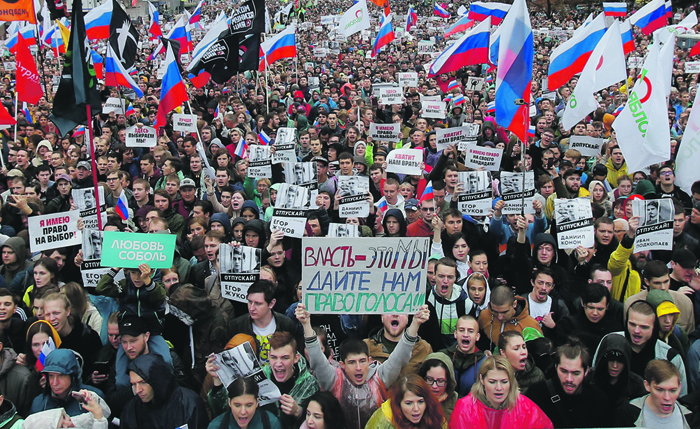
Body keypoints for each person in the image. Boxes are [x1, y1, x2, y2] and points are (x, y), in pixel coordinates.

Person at [296, 303, 430, 429]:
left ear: (370, 360)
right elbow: (317, 360)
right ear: (342, 365)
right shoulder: (335, 379)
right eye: (352, 363)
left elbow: (399, 356)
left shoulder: (380, 377)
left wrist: (415, 324)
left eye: (362, 361)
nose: (358, 367)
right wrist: (306, 324)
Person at [526, 339, 615, 428]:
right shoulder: (537, 394)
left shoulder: (600, 401)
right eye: (564, 371)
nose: (569, 379)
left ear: (586, 371)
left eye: (576, 373)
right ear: (556, 367)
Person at [449, 355, 553, 429]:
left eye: (504, 382)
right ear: (482, 380)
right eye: (492, 382)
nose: (499, 388)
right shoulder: (465, 408)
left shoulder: (525, 406)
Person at [121, 354, 208, 429]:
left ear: (156, 380)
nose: (138, 390)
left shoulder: (188, 403)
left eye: (143, 382)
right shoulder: (132, 409)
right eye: (134, 384)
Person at [29, 349, 109, 418]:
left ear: (72, 376)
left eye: (61, 376)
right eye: (51, 376)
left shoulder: (93, 398)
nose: (54, 383)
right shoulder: (39, 404)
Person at [616, 359, 695, 427]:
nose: (667, 397)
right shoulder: (627, 413)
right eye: (660, 390)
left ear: (680, 387)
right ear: (647, 385)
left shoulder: (691, 419)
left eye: (673, 390)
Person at [365, 374, 446, 429]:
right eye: (409, 403)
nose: (416, 409)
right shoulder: (383, 422)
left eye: (420, 402)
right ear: (399, 403)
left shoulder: (435, 417)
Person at [364, 313, 433, 378]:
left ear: (407, 317)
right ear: (382, 316)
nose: (395, 314)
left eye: (401, 310)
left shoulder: (423, 348)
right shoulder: (366, 347)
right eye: (390, 309)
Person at [591, 333, 646, 410]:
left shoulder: (636, 384)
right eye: (611, 360)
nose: (615, 366)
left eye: (620, 361)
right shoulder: (589, 379)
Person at [438, 315, 486, 397]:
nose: (465, 334)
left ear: (477, 337)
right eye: (461, 330)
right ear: (455, 334)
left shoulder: (485, 363)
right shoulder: (442, 357)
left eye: (471, 331)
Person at [208, 376, 281, 429]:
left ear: (257, 402)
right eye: (237, 405)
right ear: (229, 402)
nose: (243, 412)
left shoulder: (271, 423)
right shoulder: (216, 426)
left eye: (249, 405)